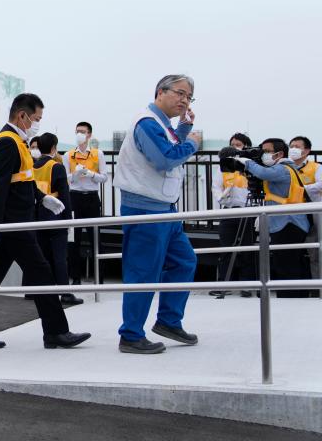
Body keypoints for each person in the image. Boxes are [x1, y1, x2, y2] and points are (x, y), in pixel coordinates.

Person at [0, 93, 90, 351]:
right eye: (37, 119)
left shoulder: (18, 142)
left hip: (12, 223)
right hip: (12, 225)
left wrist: (42, 199)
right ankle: (56, 332)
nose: (38, 124)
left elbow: (22, 181)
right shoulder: (7, 142)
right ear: (22, 116)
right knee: (41, 272)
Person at [113, 74, 202, 354]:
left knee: (184, 261)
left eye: (189, 97)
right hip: (145, 208)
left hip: (165, 208)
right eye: (180, 93)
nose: (184, 100)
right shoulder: (147, 123)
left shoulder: (162, 125)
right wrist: (193, 144)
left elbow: (170, 148)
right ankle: (130, 335)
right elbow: (165, 158)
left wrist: (184, 130)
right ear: (160, 92)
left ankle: (168, 321)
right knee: (143, 272)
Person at [236, 139, 312, 298]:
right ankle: (298, 297)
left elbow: (264, 174)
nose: (264, 155)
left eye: (267, 151)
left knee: (286, 265)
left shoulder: (283, 169)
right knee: (288, 262)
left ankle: (290, 300)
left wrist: (247, 163)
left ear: (279, 154)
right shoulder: (284, 167)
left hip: (289, 223)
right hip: (286, 222)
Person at [32, 132, 82, 306]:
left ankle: (43, 291)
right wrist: (68, 219)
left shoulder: (33, 166)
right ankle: (65, 293)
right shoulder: (57, 166)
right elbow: (64, 196)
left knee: (43, 257)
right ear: (53, 148)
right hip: (55, 216)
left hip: (37, 217)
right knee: (60, 257)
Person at [209, 133, 256, 297]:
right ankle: (223, 283)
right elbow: (216, 187)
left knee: (247, 249)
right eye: (232, 144)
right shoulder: (221, 168)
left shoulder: (249, 166)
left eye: (238, 144)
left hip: (247, 211)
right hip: (229, 210)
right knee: (226, 248)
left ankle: (247, 285)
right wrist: (221, 197)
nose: (235, 147)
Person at [63, 122, 108, 285]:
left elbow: (104, 177)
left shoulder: (98, 154)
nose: (79, 134)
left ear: (89, 135)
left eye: (82, 132)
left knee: (95, 237)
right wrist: (75, 175)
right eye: (77, 131)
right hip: (74, 198)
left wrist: (90, 174)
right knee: (73, 240)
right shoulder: (68, 155)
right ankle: (75, 278)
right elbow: (65, 178)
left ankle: (99, 278)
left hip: (91, 198)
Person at [289, 136, 321, 284]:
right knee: (297, 251)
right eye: (291, 146)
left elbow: (320, 185)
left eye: (297, 146)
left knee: (316, 251)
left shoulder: (317, 167)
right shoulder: (286, 168)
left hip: (315, 212)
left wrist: (299, 190)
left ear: (307, 150)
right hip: (292, 212)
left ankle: (318, 286)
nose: (293, 149)